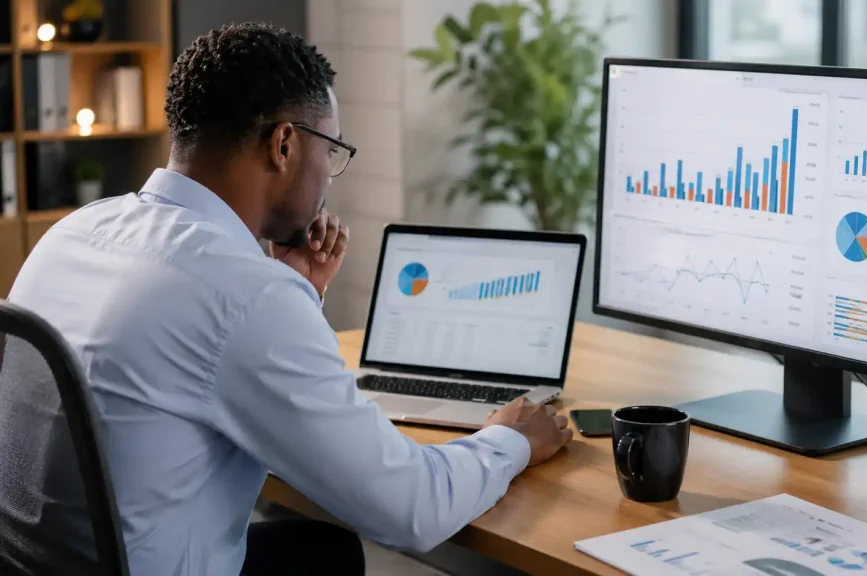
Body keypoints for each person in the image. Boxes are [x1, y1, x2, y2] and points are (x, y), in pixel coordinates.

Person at [0, 22, 572, 576]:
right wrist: (511, 439)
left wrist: (296, 291)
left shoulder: (73, 232)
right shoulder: (243, 294)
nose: (330, 175)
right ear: (284, 144)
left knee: (319, 550)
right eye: (332, 150)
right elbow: (412, 509)